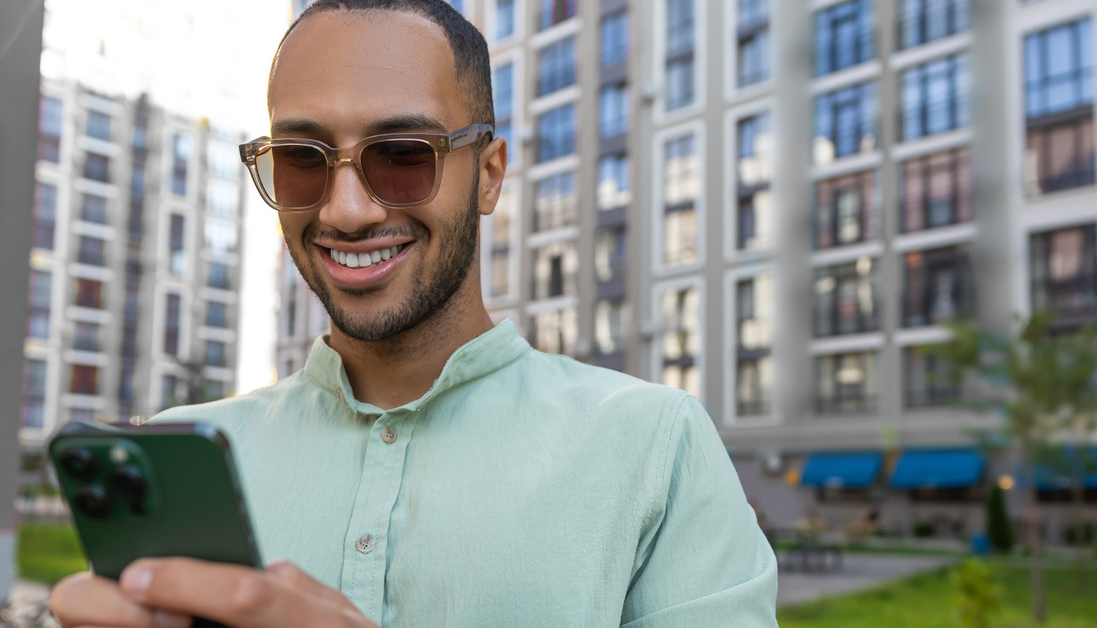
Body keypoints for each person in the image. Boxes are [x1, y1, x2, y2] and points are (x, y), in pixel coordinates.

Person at [49, 1, 778, 626]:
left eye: (401, 154)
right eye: (303, 158)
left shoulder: (654, 444)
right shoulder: (184, 451)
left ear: (488, 175)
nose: (346, 210)